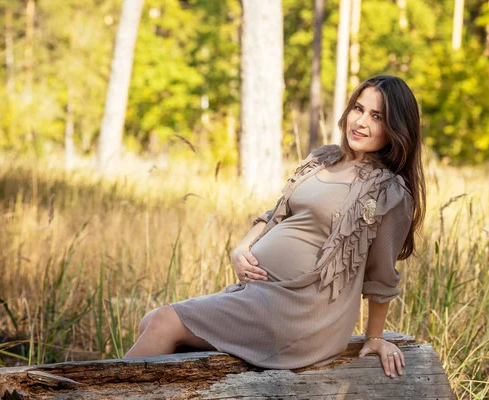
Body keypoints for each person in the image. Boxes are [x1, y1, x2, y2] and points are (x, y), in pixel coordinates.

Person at [124, 75, 425, 380]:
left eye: (376, 116)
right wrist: (241, 248)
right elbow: (277, 214)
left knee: (163, 322)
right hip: (262, 292)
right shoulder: (323, 159)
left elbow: (382, 276)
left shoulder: (388, 191)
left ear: (395, 129)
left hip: (303, 311)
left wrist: (374, 338)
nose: (360, 122)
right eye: (357, 109)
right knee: (150, 321)